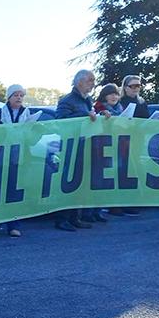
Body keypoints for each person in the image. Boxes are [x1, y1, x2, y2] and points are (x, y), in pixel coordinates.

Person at [54, 69, 106, 231]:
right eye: (90, 80)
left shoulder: (87, 100)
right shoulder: (67, 101)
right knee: (68, 184)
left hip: (84, 146)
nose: (93, 84)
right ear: (79, 82)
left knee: (79, 184)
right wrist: (85, 117)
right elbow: (60, 121)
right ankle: (61, 219)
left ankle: (74, 217)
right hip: (70, 148)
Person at [0, 84, 32, 237]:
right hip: (0, 157)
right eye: (16, 95)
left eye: (21, 95)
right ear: (9, 97)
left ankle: (14, 225)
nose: (19, 98)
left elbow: (33, 136)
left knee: (14, 191)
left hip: (19, 158)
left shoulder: (27, 114)